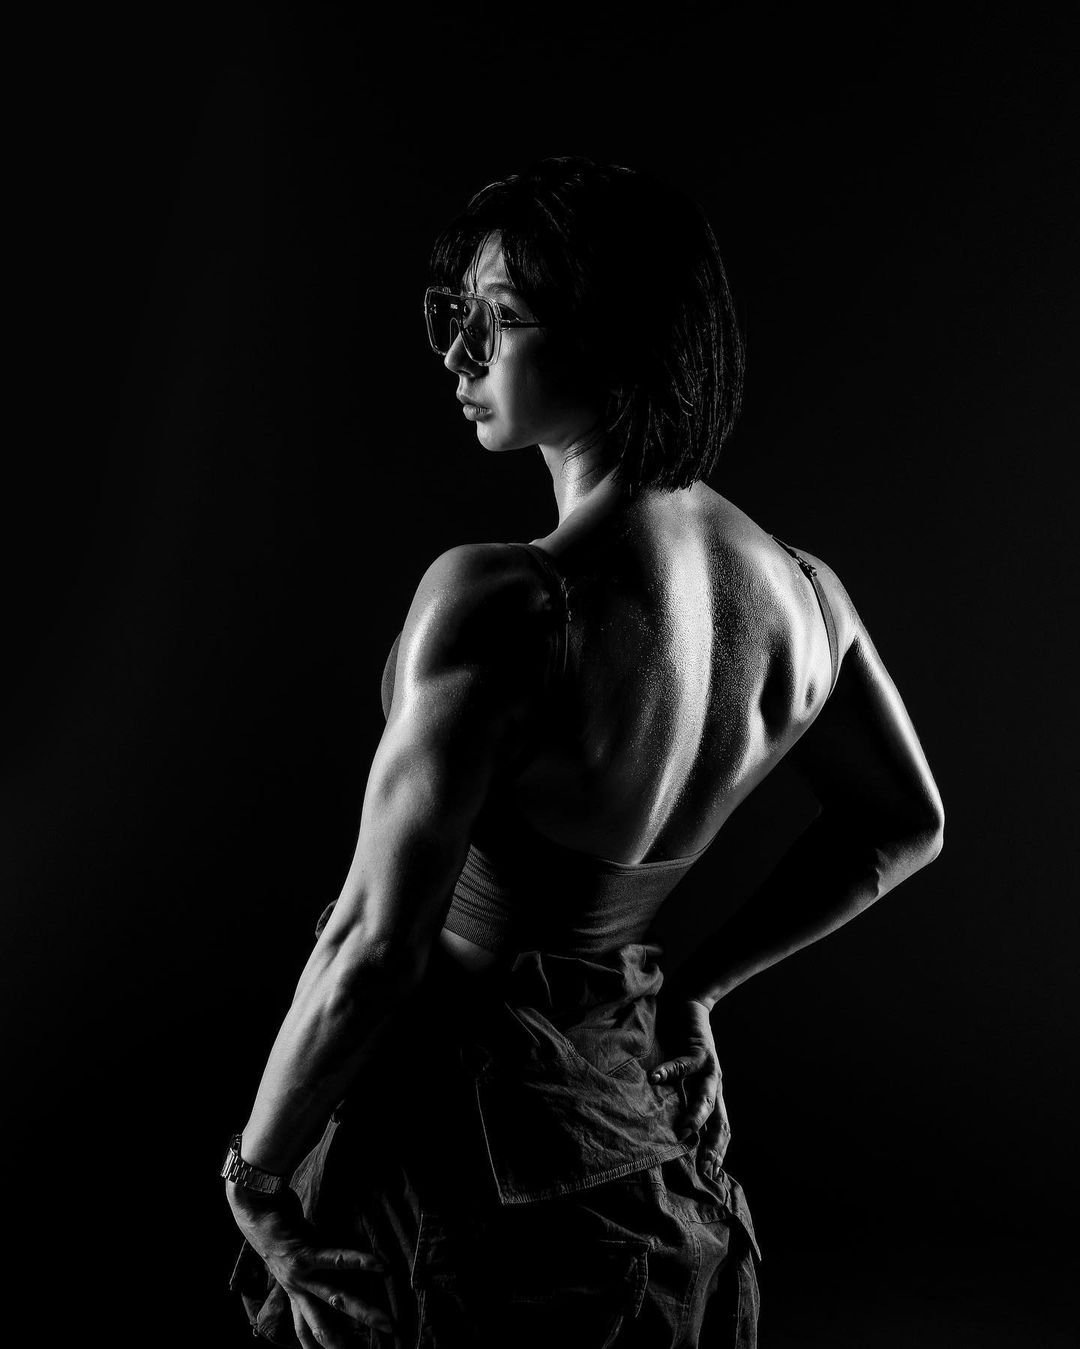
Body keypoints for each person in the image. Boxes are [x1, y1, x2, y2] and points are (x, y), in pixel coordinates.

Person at [224, 156, 945, 1349]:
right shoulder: (806, 598)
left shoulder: (507, 603)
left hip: (458, 1175)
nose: (459, 356)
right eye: (454, 315)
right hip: (641, 1147)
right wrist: (698, 989)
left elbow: (373, 945)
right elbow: (906, 822)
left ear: (611, 338)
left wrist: (255, 1175)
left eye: (499, 320)